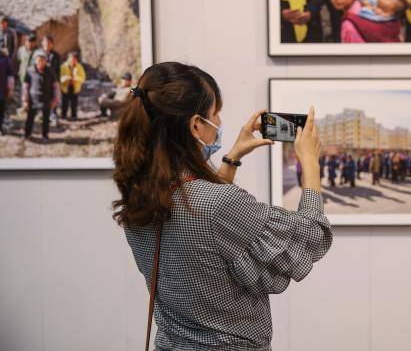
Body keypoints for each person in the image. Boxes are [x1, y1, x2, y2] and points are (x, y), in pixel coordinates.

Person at [111, 62, 332, 351]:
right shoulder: (219, 204)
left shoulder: (139, 196)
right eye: (215, 113)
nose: (219, 120)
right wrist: (311, 163)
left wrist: (233, 157)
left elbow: (206, 224)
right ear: (195, 125)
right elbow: (311, 236)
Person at [342, 0, 406, 42]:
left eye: (383, 10)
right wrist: (365, 0)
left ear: (393, 15)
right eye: (378, 5)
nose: (377, 10)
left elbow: (363, 13)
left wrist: (368, 8)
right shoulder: (381, 2)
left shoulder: (387, 22)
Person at [22, 51, 59, 142]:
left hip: (46, 98)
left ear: (46, 61)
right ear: (35, 61)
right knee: (30, 118)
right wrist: (25, 99)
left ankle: (45, 135)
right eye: (38, 60)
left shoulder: (50, 71)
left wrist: (55, 99)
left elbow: (55, 86)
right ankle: (27, 134)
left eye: (43, 60)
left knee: (46, 119)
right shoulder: (30, 70)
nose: (40, 63)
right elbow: (25, 86)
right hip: (33, 98)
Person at [59, 52, 86, 121]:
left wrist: (75, 79)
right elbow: (59, 77)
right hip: (65, 87)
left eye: (74, 59)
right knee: (65, 102)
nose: (72, 60)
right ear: (68, 59)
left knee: (74, 103)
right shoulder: (63, 67)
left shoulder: (79, 67)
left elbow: (82, 78)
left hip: (75, 87)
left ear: (76, 59)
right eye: (71, 58)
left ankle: (74, 116)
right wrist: (66, 78)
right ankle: (63, 115)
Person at [0, 47, 15, 135]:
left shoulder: (5, 59)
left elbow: (10, 75)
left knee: (1, 110)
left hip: (1, 90)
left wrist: (10, 88)